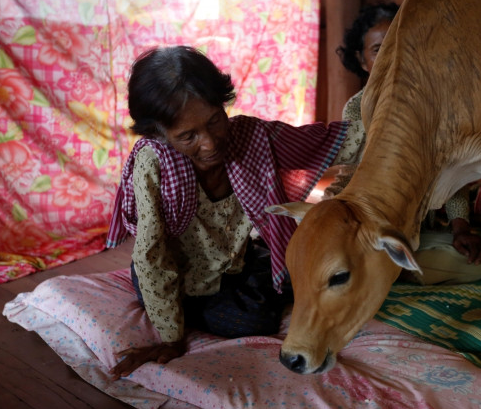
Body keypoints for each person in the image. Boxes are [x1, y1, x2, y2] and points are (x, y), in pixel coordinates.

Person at [106, 46, 364, 380]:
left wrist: (394, 124)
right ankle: (181, 308)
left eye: (215, 121)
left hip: (232, 264)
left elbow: (327, 141)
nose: (210, 143)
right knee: (251, 321)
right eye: (188, 136)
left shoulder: (250, 136)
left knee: (303, 273)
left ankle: (245, 282)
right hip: (174, 274)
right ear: (158, 133)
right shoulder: (153, 163)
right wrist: (170, 337)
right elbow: (152, 257)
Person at [325, 2, 481, 285]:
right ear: (363, 60)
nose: (392, 56)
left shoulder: (432, 108)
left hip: (420, 233)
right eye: (379, 50)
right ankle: (384, 265)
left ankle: (383, 270)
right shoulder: (356, 110)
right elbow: (349, 171)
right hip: (373, 226)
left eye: (400, 44)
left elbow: (448, 174)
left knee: (478, 264)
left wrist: (460, 229)